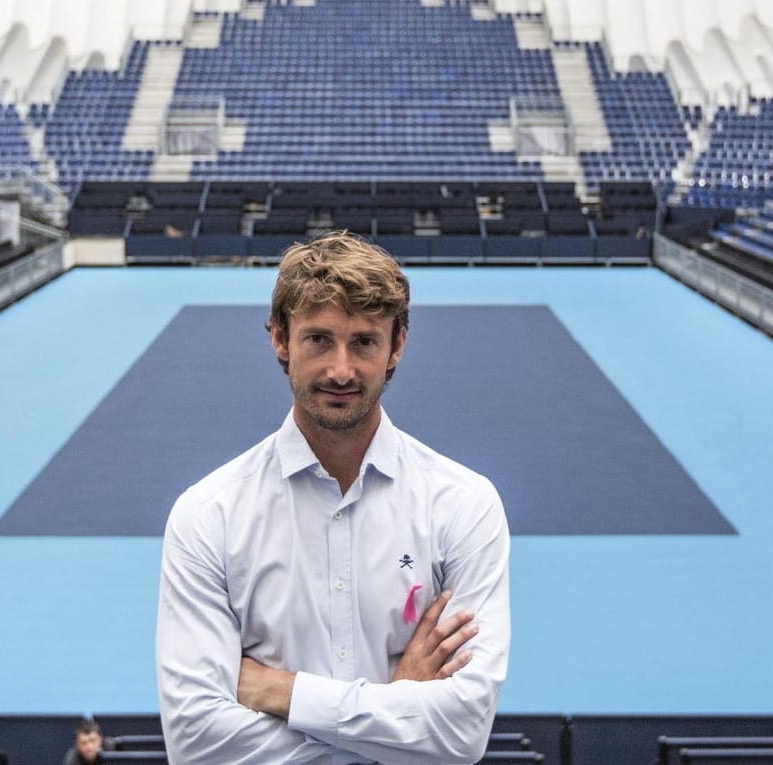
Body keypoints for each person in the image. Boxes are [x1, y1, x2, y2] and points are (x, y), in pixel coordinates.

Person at [156, 232, 511, 764]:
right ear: (280, 339)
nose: (341, 370)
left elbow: (461, 736)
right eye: (319, 339)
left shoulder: (464, 505)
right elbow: (197, 744)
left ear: (398, 345)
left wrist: (281, 692)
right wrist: (396, 709)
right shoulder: (207, 516)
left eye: (364, 342)